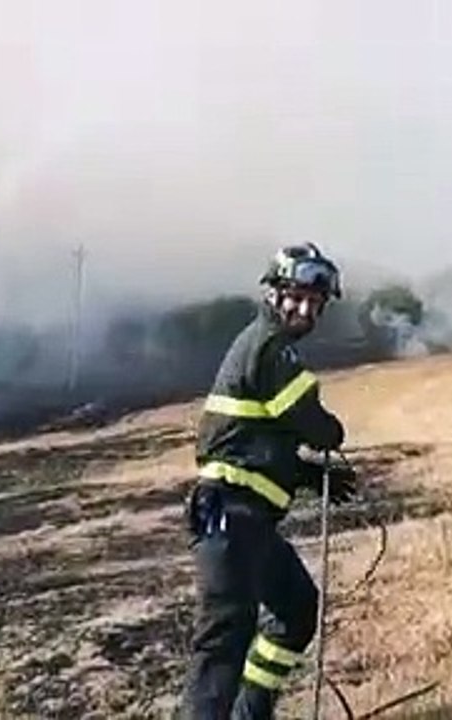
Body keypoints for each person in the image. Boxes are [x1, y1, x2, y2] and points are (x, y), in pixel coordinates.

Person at [180, 243, 359, 719]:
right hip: (229, 519)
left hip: (250, 524)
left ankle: (250, 714)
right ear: (275, 294)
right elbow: (311, 421)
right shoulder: (269, 347)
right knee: (222, 647)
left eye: (314, 303)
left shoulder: (268, 347)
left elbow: (258, 442)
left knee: (298, 608)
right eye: (296, 297)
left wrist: (305, 475)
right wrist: (330, 435)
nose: (304, 309)